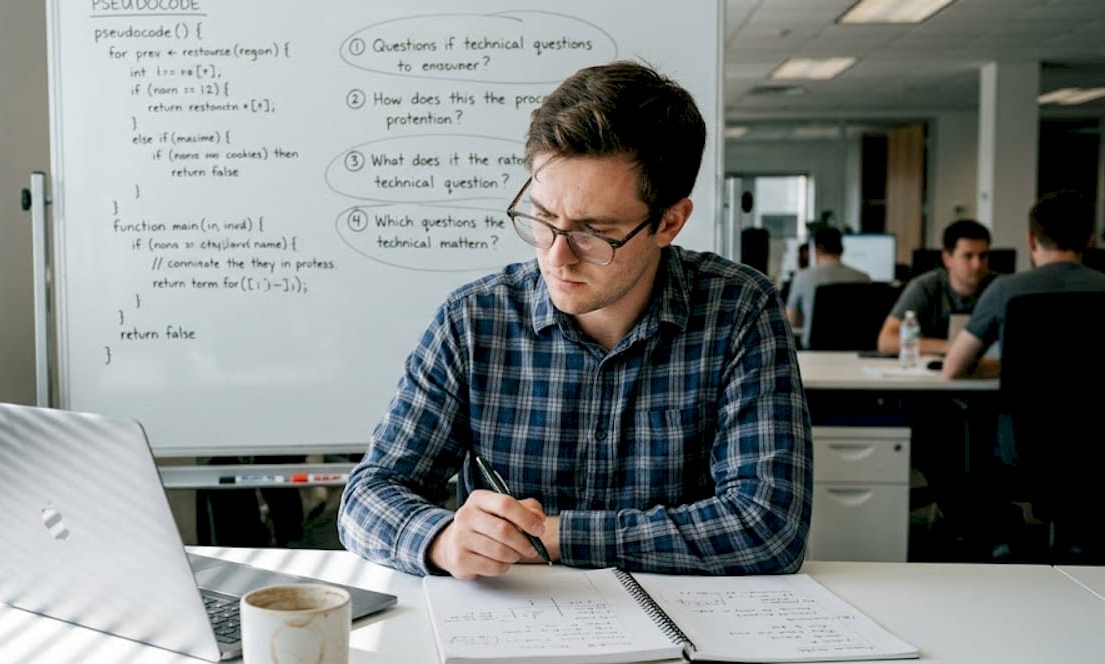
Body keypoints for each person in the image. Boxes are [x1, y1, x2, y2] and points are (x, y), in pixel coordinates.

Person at [337, 60, 812, 580]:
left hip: (686, 632)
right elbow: (367, 496)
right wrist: (442, 540)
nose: (556, 257)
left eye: (593, 232)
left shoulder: (739, 311)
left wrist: (553, 535)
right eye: (542, 219)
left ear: (669, 222)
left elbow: (769, 528)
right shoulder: (475, 319)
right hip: (509, 625)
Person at [942, 190, 1105, 379]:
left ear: (1031, 240)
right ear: (1089, 240)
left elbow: (953, 369)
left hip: (1021, 408)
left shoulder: (1004, 290)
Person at [877, 219, 996, 356]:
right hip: (932, 370)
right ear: (947, 259)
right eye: (968, 256)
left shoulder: (1000, 288)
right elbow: (886, 341)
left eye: (983, 256)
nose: (977, 265)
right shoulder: (925, 287)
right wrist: (954, 348)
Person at [784, 227, 871, 349]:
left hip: (815, 351)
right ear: (842, 250)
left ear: (816, 250)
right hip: (854, 351)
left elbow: (790, 320)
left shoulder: (802, 277)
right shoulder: (863, 278)